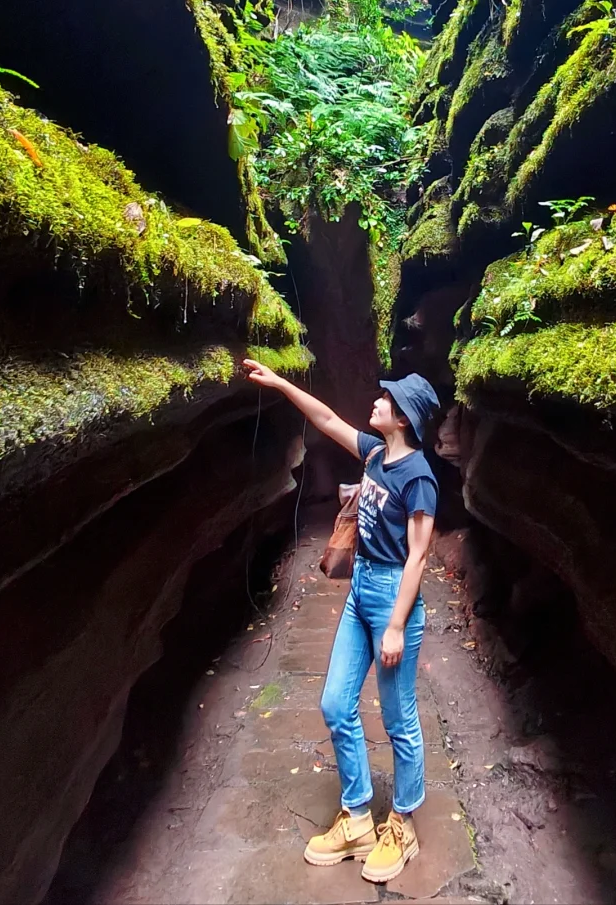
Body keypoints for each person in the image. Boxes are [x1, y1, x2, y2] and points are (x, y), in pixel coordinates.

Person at [242, 359, 440, 884]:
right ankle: (357, 819)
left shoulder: (419, 478)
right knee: (335, 702)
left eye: (387, 399)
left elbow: (419, 556)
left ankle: (402, 822)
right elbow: (327, 421)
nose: (376, 400)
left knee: (399, 720)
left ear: (403, 419)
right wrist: (282, 383)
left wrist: (396, 625)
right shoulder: (377, 453)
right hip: (360, 591)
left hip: (393, 598)